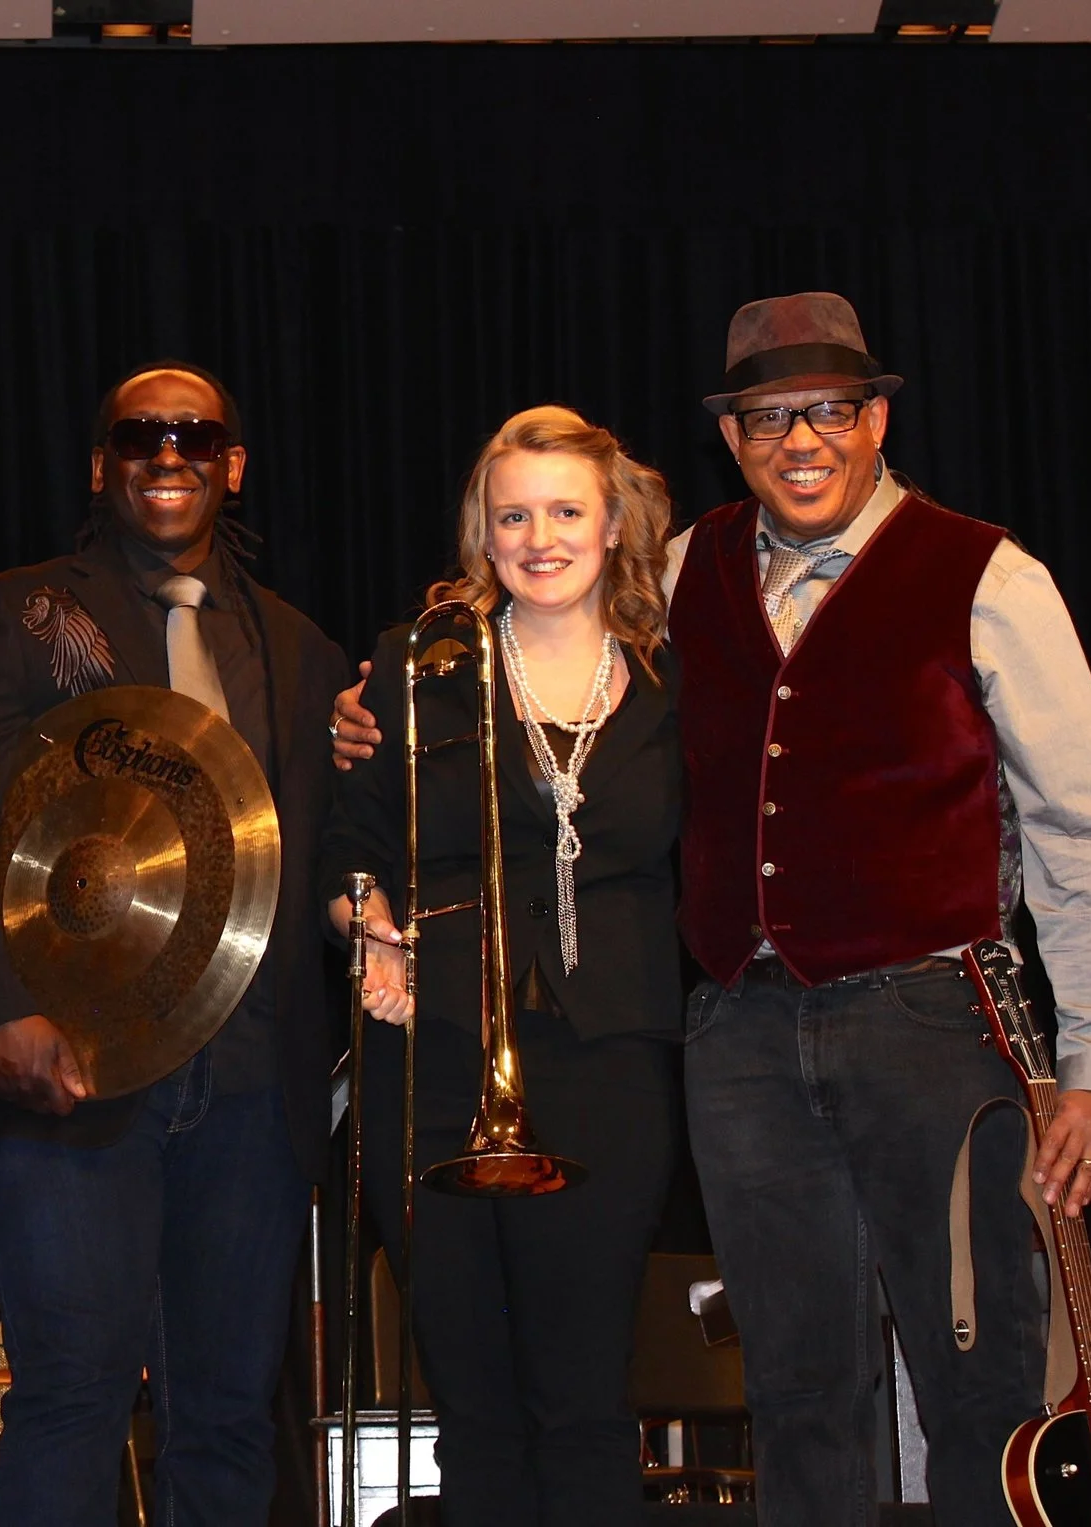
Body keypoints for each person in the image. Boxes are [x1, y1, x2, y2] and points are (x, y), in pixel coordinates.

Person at [334, 294, 1091, 1527]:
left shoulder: (984, 571)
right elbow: (539, 635)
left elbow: (1085, 830)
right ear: (732, 438)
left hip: (932, 1021)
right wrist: (371, 717)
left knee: (972, 1381)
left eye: (828, 410)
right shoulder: (681, 577)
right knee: (796, 1388)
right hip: (738, 1038)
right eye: (768, 417)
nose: (801, 441)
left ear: (875, 419)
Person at [0, 362, 352, 1525]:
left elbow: (324, 847)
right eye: (139, 436)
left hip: (251, 1084)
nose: (168, 455)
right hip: (72, 1065)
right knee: (69, 1399)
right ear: (101, 466)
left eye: (195, 437)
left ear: (231, 465)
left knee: (228, 1415)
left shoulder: (300, 647)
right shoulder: (13, 610)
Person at [319, 405, 683, 1526]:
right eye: (511, 513)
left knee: (581, 1401)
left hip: (607, 1065)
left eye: (566, 510)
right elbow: (346, 848)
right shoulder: (410, 665)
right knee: (469, 1404)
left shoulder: (679, 679)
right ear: (481, 531)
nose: (539, 537)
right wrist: (366, 928)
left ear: (615, 523)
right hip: (430, 1062)